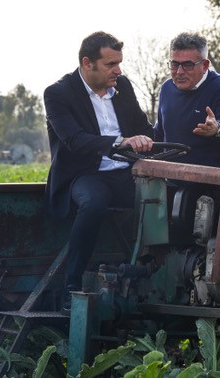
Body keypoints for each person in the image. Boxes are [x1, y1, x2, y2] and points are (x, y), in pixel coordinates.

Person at [44, 31, 154, 308]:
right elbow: (74, 141)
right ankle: (72, 284)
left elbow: (141, 126)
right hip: (83, 173)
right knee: (94, 202)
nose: (118, 70)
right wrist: (121, 142)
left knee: (164, 199)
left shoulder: (123, 86)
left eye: (119, 63)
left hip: (125, 171)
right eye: (110, 64)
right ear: (87, 63)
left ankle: (153, 275)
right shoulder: (58, 93)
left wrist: (146, 139)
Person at [154, 32, 220, 169]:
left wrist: (217, 128)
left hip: (214, 182)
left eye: (187, 65)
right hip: (171, 179)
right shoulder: (166, 89)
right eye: (174, 64)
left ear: (205, 65)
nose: (179, 72)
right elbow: (160, 132)